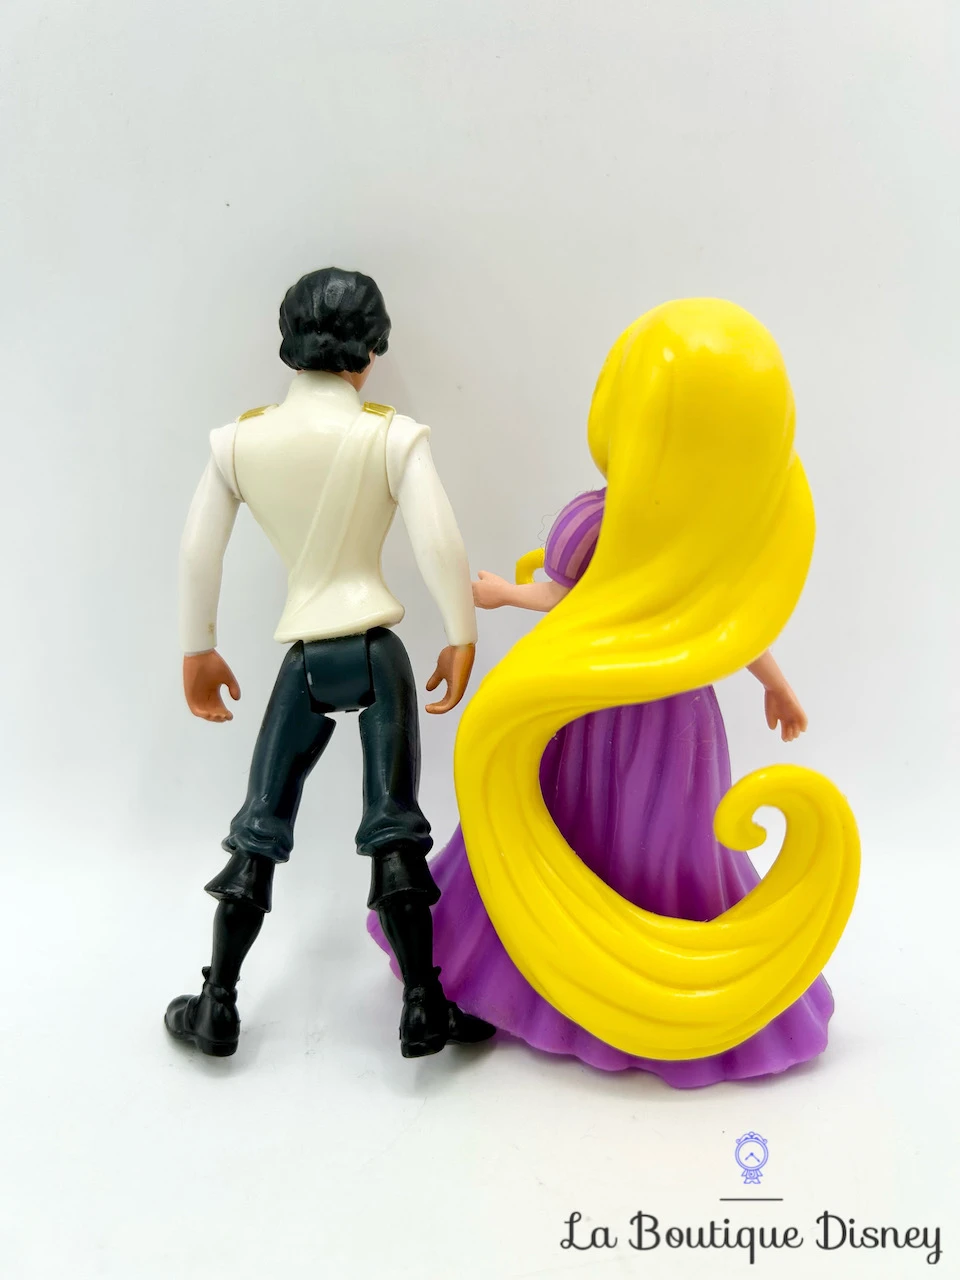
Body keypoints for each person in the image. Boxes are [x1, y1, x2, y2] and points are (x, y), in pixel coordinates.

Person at [369, 300, 857, 1084]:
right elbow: (720, 625)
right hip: (643, 715)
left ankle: (625, 983)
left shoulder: (610, 522)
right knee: (620, 840)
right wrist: (776, 685)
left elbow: (591, 603)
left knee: (625, 842)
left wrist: (505, 594)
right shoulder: (665, 529)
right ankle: (620, 982)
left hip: (599, 711)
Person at [166, 267, 495, 1059]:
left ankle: (217, 1002)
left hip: (304, 657)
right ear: (371, 350)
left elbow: (198, 552)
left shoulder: (239, 442)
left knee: (259, 826)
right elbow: (440, 542)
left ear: (290, 343)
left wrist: (197, 646)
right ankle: (423, 1003)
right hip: (377, 650)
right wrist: (460, 632)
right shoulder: (392, 435)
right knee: (394, 825)